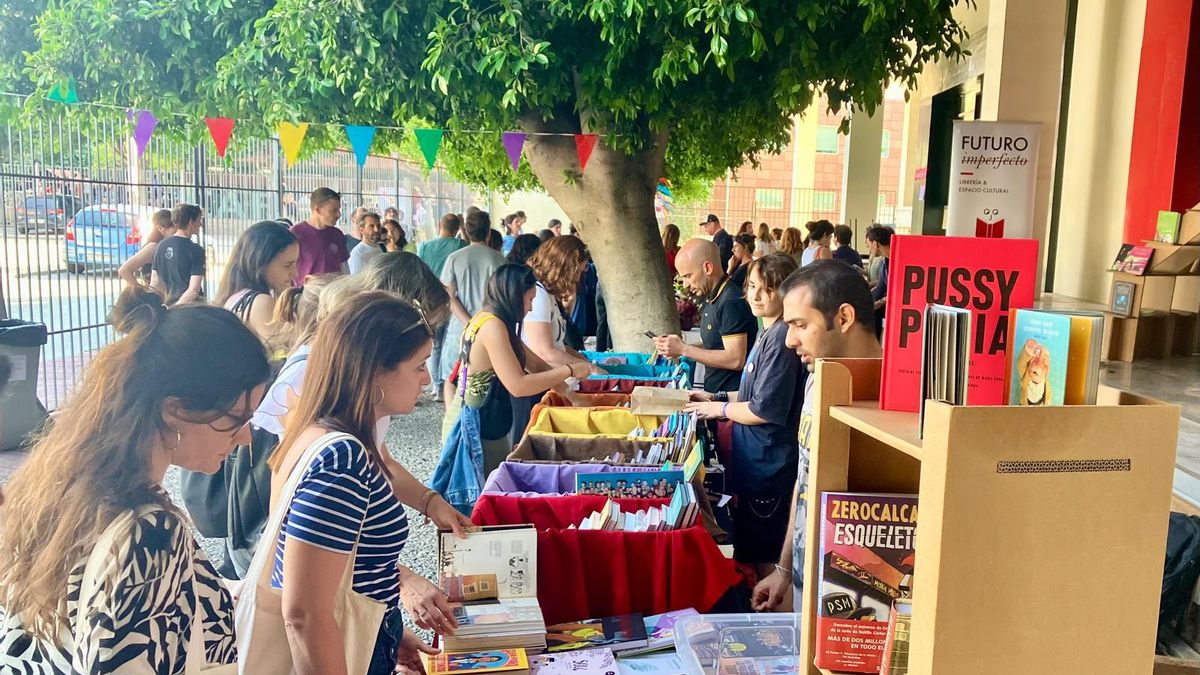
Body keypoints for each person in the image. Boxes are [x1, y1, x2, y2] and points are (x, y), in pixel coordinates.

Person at [0, 285, 271, 672]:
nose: (245, 438)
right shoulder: (150, 532)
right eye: (236, 420)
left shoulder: (61, 486)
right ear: (176, 410)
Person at [267, 292, 464, 675]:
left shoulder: (325, 434)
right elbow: (305, 614)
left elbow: (344, 569)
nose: (427, 378)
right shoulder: (342, 461)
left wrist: (386, 630)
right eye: (419, 365)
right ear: (374, 371)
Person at [750, 260, 882, 614]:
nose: (789, 339)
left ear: (844, 317)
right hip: (805, 582)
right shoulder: (815, 379)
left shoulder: (893, 399)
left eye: (800, 325)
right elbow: (805, 477)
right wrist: (784, 568)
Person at [685, 254, 804, 579]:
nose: (756, 296)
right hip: (754, 462)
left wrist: (718, 409)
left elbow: (763, 409)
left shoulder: (781, 339)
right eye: (751, 286)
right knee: (752, 550)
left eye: (767, 289)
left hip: (768, 465)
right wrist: (717, 397)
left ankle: (769, 608)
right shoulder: (767, 331)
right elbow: (753, 394)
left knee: (765, 558)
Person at [444, 265, 590, 474]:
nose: (530, 308)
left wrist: (570, 395)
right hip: (476, 426)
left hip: (484, 420)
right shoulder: (493, 327)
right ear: (514, 296)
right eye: (530, 299)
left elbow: (536, 365)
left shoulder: (489, 318)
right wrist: (569, 370)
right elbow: (518, 386)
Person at [654, 239, 756, 395]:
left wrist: (683, 349)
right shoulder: (714, 296)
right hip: (716, 396)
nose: (685, 284)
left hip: (730, 400)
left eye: (688, 276)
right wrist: (678, 347)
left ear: (707, 268)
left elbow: (735, 359)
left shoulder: (730, 301)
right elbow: (715, 344)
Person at [441, 210, 508, 405]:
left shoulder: (454, 258)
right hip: (490, 328)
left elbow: (449, 296)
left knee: (452, 378)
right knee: (483, 381)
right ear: (489, 232)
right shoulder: (499, 260)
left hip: (459, 328)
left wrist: (468, 322)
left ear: (465, 232)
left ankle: (451, 420)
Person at [214, 220, 301, 359]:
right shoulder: (261, 302)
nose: (295, 272)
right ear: (261, 263)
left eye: (296, 263)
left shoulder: (236, 297)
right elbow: (285, 351)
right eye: (287, 265)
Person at [523, 235, 593, 368]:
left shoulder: (547, 293)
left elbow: (558, 346)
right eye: (576, 272)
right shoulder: (538, 295)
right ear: (562, 268)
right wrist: (589, 368)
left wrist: (585, 363)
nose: (577, 279)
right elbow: (544, 352)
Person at [151, 202, 206, 306]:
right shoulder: (196, 250)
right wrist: (175, 308)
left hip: (167, 303)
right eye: (199, 220)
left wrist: (162, 308)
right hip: (191, 308)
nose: (201, 224)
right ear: (191, 222)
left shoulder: (160, 246)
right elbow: (193, 290)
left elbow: (154, 282)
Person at [291, 187, 350, 284]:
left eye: (339, 210)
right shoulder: (295, 234)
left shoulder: (337, 234)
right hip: (307, 291)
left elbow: (343, 268)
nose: (338, 215)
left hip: (334, 291)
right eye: (333, 210)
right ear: (317, 209)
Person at [118, 208, 174, 286]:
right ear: (160, 228)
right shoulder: (153, 247)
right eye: (172, 226)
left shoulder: (169, 246)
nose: (176, 230)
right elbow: (124, 270)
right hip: (156, 291)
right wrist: (140, 290)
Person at [865, 225, 893, 340]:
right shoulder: (883, 263)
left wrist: (882, 301)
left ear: (875, 243)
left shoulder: (900, 259)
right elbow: (880, 288)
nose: (869, 248)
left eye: (869, 244)